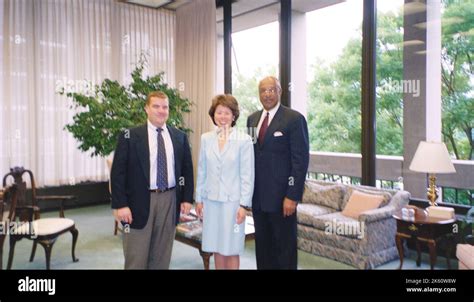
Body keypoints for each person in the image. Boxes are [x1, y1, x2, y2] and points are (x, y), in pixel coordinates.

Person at [111, 91, 194, 269]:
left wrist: (187, 198)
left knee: (162, 256)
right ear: (146, 108)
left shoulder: (179, 136)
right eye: (156, 106)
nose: (161, 110)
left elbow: (187, 170)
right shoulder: (129, 136)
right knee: (136, 256)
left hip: (170, 200)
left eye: (165, 107)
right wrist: (120, 204)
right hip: (138, 201)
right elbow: (118, 173)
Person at [247, 76, 309, 269]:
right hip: (258, 199)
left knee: (284, 249)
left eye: (271, 90)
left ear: (279, 91)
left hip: (283, 199)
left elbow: (300, 162)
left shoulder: (294, 119)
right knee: (263, 249)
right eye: (263, 91)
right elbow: (250, 154)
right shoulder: (252, 120)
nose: (267, 94)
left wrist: (292, 196)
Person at [195, 94, 254, 269]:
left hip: (233, 203)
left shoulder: (244, 140)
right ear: (213, 115)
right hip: (211, 200)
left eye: (227, 113)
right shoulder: (206, 138)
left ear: (233, 116)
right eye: (219, 112)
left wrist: (244, 205)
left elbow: (247, 175)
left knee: (231, 247)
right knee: (216, 246)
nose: (222, 117)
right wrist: (198, 199)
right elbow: (202, 170)